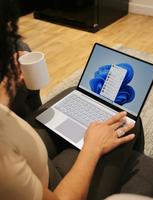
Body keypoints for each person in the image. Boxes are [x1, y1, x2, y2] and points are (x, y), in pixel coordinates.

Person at [0, 0, 143, 200]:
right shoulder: (3, 158)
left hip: (27, 151)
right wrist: (93, 147)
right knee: (129, 123)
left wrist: (6, 90)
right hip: (53, 186)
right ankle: (137, 172)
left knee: (70, 93)